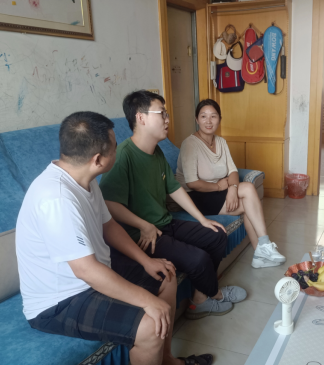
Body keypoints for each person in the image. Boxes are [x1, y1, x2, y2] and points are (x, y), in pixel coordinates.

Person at [16, 112, 207, 365]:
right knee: (149, 324)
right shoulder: (56, 198)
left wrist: (146, 261)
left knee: (165, 275)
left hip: (92, 274)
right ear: (98, 159)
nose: (119, 149)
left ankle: (167, 364)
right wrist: (147, 301)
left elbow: (109, 226)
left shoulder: (84, 179)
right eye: (115, 146)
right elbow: (86, 271)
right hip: (59, 301)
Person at [99, 90, 247, 321]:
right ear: (141, 118)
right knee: (198, 259)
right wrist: (143, 225)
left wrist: (202, 219)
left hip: (164, 223)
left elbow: (174, 188)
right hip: (142, 236)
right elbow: (108, 204)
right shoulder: (123, 156)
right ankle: (213, 295)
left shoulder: (156, 151)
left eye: (166, 113)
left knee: (217, 234)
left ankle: (201, 297)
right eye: (161, 113)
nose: (167, 119)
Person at [176, 99, 286, 269]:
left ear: (219, 119)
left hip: (216, 193)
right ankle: (263, 247)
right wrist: (219, 187)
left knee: (248, 202)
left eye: (213, 116)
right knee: (248, 192)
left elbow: (233, 171)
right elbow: (192, 183)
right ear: (197, 119)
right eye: (203, 116)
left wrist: (232, 190)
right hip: (195, 197)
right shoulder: (190, 144)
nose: (208, 121)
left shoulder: (221, 142)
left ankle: (260, 252)